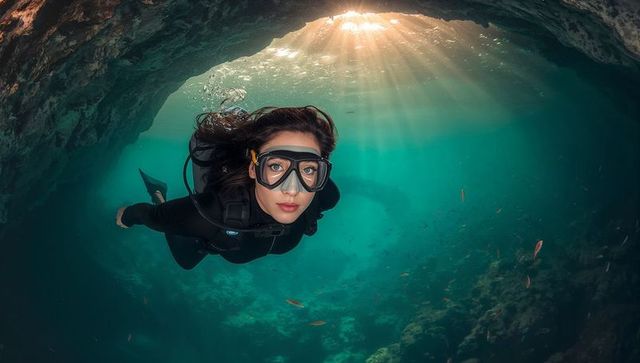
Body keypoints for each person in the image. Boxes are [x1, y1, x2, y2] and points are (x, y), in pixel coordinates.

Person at [115, 106, 340, 269]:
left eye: (309, 169)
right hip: (212, 230)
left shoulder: (325, 195)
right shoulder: (211, 213)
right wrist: (127, 216)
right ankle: (158, 193)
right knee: (186, 261)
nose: (292, 189)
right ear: (253, 169)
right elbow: (149, 215)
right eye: (276, 166)